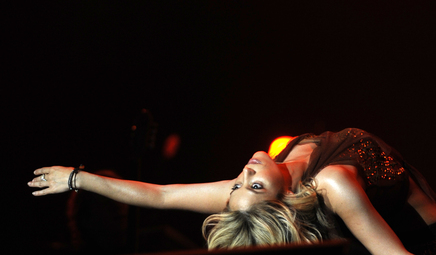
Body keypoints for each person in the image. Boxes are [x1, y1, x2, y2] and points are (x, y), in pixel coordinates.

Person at [28, 128, 436, 254]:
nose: (244, 173)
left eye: (239, 184)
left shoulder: (252, 191)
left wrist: (76, 178)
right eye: (253, 184)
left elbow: (161, 196)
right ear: (283, 201)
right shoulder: (332, 185)